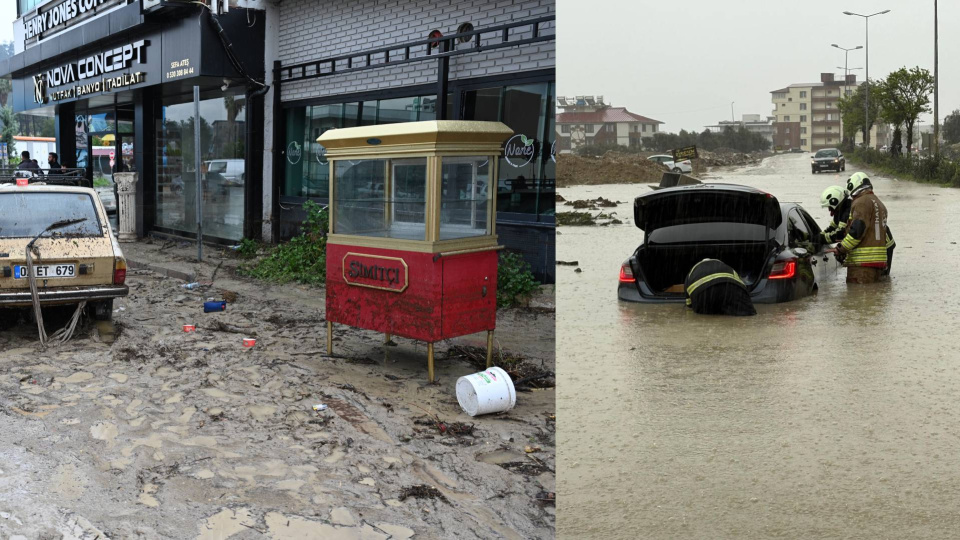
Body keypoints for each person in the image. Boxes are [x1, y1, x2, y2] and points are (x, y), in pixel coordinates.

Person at [835, 173, 890, 284]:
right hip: (879, 264)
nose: (852, 198)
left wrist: (841, 248)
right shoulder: (879, 204)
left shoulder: (861, 202)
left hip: (861, 265)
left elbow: (857, 231)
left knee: (856, 298)